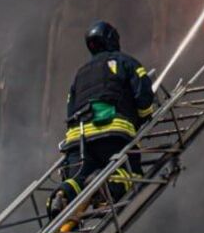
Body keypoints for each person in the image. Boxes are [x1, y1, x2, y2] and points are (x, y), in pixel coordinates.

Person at [48, 20, 155, 217]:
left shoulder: (80, 74)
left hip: (77, 139)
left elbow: (70, 106)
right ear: (112, 39)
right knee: (131, 171)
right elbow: (143, 94)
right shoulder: (124, 62)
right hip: (111, 133)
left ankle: (63, 193)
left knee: (78, 177)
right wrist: (145, 116)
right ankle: (104, 194)